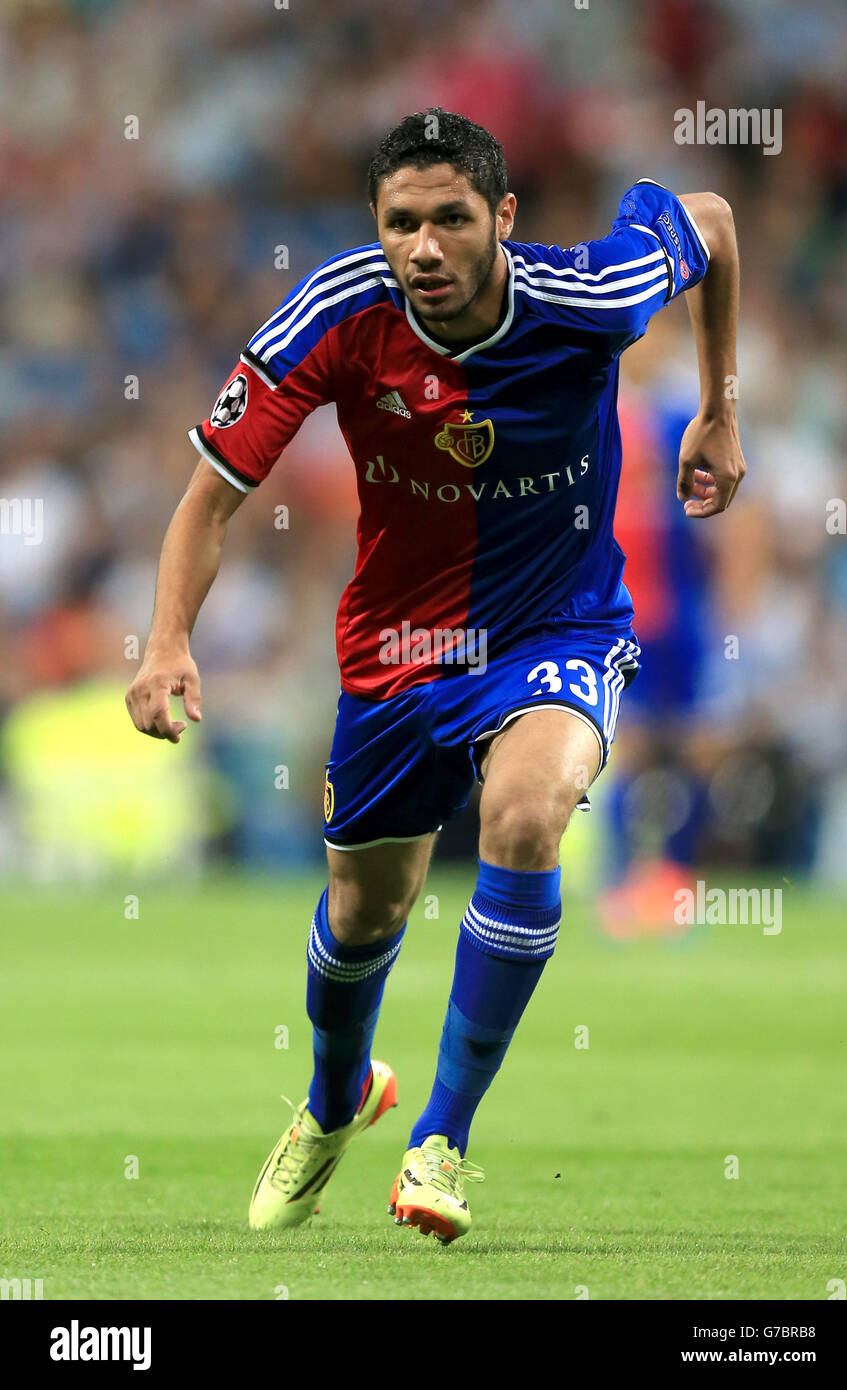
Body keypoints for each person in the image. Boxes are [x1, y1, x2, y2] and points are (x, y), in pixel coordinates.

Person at [126, 108, 745, 1244]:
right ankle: (334, 1100)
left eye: (450, 220)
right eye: (400, 223)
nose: (423, 247)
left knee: (523, 817)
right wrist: (166, 639)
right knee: (366, 914)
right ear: (375, 226)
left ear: (500, 218)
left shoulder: (591, 295)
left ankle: (440, 1140)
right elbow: (208, 497)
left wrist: (717, 403)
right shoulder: (335, 312)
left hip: (553, 625)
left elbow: (706, 217)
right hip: (395, 653)